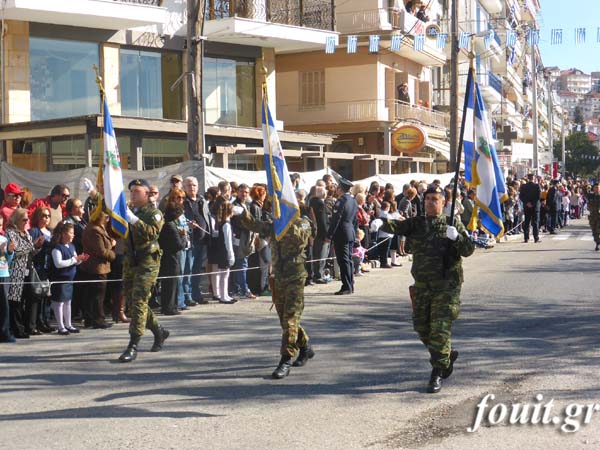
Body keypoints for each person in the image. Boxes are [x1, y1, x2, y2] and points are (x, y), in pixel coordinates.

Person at [380, 186, 475, 393]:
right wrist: (381, 221)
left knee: (439, 329)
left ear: (443, 203)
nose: (431, 202)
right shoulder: (417, 224)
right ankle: (445, 357)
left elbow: (468, 250)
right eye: (428, 199)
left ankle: (437, 372)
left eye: (436, 199)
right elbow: (397, 226)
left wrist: (457, 238)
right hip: (422, 285)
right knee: (422, 328)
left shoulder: (452, 223)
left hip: (446, 285)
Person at [241, 207, 314, 379]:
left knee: (290, 319)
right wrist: (241, 213)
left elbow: (299, 238)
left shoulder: (303, 223)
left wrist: (284, 222)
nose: (275, 209)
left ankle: (286, 359)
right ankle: (305, 347)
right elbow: (255, 225)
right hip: (279, 276)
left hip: (295, 277)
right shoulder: (274, 225)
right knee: (285, 319)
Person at [118, 179, 168, 363]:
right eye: (131, 191)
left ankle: (133, 344)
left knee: (139, 300)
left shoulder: (154, 213)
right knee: (132, 305)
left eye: (137, 191)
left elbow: (151, 232)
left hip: (148, 261)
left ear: (147, 194)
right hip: (131, 260)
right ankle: (159, 331)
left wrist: (133, 219)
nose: (133, 194)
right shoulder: (131, 210)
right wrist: (94, 194)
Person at [5, 208, 43, 339]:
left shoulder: (26, 233)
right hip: (16, 271)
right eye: (24, 219)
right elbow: (17, 250)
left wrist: (37, 247)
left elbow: (30, 252)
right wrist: (32, 245)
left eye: (27, 219)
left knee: (29, 298)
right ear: (16, 219)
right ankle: (17, 329)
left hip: (28, 270)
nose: (26, 222)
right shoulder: (10, 232)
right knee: (16, 301)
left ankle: (27, 326)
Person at [48, 221, 88, 335]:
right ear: (64, 234)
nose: (73, 235)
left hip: (69, 280)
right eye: (71, 233)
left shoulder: (72, 246)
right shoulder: (57, 248)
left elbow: (75, 261)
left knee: (68, 302)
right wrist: (74, 260)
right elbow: (58, 263)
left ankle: (68, 324)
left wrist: (80, 259)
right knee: (59, 303)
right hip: (60, 280)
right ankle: (61, 326)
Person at [79, 210, 116, 328]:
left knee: (92, 295)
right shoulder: (94, 230)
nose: (108, 219)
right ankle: (98, 319)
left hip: (96, 267)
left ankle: (90, 319)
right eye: (106, 217)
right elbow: (101, 251)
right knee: (97, 295)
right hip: (96, 267)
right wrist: (113, 252)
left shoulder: (97, 228)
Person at [326, 178, 358, 295]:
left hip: (341, 234)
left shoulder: (341, 201)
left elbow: (336, 220)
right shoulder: (353, 201)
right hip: (349, 232)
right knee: (348, 260)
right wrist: (355, 233)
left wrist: (329, 235)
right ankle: (350, 284)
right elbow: (355, 219)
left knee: (343, 260)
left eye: (338, 188)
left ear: (340, 189)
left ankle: (346, 286)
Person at [158, 202, 188, 315]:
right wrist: (184, 237)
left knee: (170, 284)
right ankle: (169, 307)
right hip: (172, 259)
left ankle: (171, 305)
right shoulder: (170, 225)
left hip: (168, 258)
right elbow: (179, 245)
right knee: (170, 284)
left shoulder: (166, 224)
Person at [0, 233, 16, 343]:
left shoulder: (3, 239)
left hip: (3, 274)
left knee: (4, 306)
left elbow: (7, 261)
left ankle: (4, 332)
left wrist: (10, 252)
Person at [519, 173, 541, 243]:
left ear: (528, 178)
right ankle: (536, 237)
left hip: (527, 206)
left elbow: (521, 196)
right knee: (535, 222)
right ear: (533, 178)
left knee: (527, 222)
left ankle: (526, 238)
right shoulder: (537, 186)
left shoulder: (523, 186)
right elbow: (538, 196)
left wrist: (527, 203)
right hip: (535, 207)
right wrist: (533, 203)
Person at [586, 183, 600, 251]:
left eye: (598, 187)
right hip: (592, 217)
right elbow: (585, 193)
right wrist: (585, 185)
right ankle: (597, 242)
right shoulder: (591, 196)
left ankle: (598, 243)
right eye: (595, 187)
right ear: (593, 188)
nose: (597, 189)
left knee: (598, 230)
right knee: (594, 231)